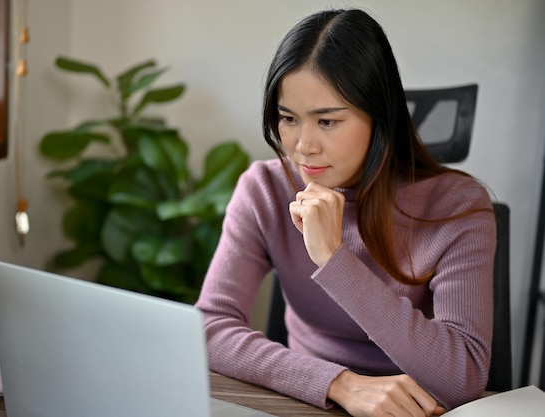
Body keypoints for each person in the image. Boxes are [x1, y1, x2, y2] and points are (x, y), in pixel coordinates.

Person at [195, 8, 496, 417]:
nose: (303, 146)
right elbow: (209, 327)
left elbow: (463, 376)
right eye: (288, 119)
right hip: (306, 402)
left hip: (417, 410)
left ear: (379, 117)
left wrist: (334, 260)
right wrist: (338, 383)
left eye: (327, 121)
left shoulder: (457, 207)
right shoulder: (264, 189)